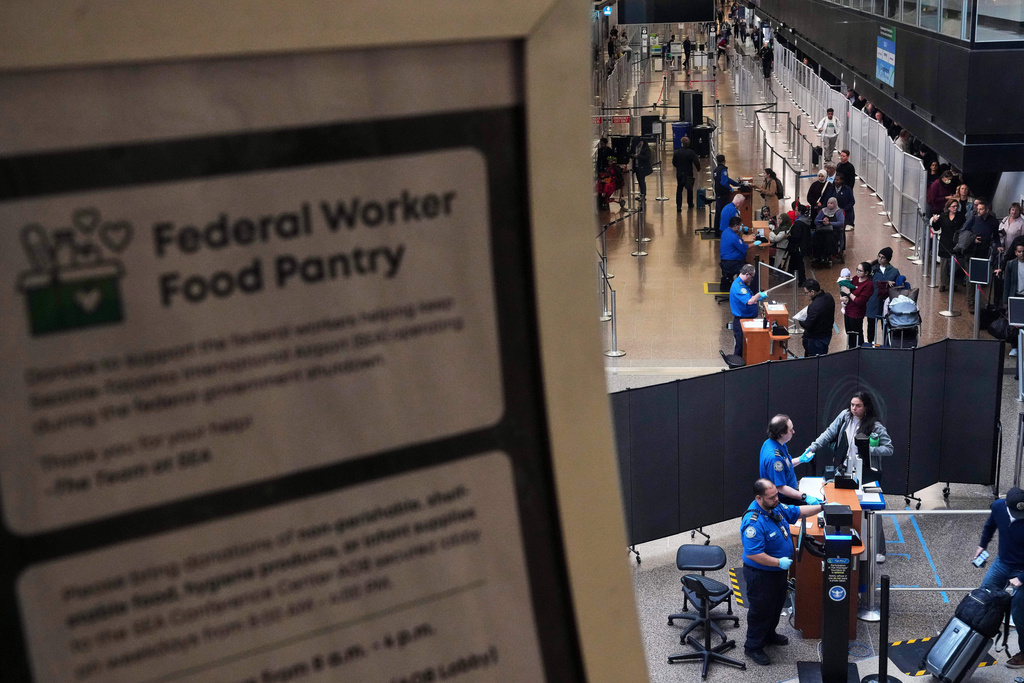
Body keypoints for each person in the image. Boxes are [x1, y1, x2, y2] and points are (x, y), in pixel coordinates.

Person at [740, 479, 823, 665]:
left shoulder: (774, 507)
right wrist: (779, 562)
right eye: (772, 497)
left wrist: (822, 507)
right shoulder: (753, 522)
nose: (777, 498)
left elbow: (798, 512)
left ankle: (769, 635)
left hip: (777, 572)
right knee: (760, 611)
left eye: (776, 495)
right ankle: (753, 647)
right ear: (759, 498)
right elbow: (753, 554)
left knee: (776, 606)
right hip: (761, 575)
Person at [808, 392, 893, 562]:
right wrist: (814, 446)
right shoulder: (845, 416)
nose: (854, 409)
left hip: (868, 472)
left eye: (858, 406)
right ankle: (847, 540)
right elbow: (829, 432)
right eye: (852, 405)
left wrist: (869, 450)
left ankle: (880, 550)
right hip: (846, 469)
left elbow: (889, 449)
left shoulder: (875, 426)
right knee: (844, 505)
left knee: (872, 510)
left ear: (866, 407)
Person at [974, 487, 1024, 668]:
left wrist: (1022, 578)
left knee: (1019, 611)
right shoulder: (997, 507)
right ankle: (973, 641)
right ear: (1005, 504)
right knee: (983, 598)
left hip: (1023, 569)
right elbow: (990, 525)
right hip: (1003, 563)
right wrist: (982, 545)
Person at [759, 415, 820, 505]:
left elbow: (785, 465)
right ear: (781, 434)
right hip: (783, 499)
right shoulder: (775, 458)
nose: (793, 432)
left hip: (790, 492)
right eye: (790, 430)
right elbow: (781, 487)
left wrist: (800, 459)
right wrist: (804, 496)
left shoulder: (773, 443)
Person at [865, 248, 900, 345]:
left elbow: (898, 287)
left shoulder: (894, 271)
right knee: (871, 323)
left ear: (888, 260)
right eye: (879, 256)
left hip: (886, 302)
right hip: (873, 300)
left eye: (883, 257)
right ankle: (870, 342)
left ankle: (886, 343)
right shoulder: (873, 270)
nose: (880, 259)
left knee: (885, 324)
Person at [729, 264, 765, 356]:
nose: (752, 279)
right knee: (740, 346)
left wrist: (757, 298)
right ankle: (736, 367)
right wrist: (759, 295)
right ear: (747, 274)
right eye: (752, 277)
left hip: (746, 319)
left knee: (747, 345)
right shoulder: (738, 286)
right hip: (741, 321)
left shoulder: (742, 284)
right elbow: (749, 301)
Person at [930, 197, 963, 292]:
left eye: (956, 206)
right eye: (953, 206)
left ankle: (953, 283)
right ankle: (943, 283)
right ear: (948, 207)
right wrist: (935, 221)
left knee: (954, 266)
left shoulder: (960, 216)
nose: (955, 208)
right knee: (944, 265)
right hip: (944, 242)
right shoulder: (943, 216)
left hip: (955, 242)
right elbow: (936, 228)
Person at [840, 262, 873, 347]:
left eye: (860, 271)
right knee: (849, 333)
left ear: (866, 273)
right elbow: (844, 288)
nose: (857, 272)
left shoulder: (868, 285)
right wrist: (842, 297)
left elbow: (860, 302)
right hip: (848, 311)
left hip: (856, 314)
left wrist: (848, 293)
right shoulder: (854, 278)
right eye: (857, 270)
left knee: (857, 335)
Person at [800, 279, 835, 356]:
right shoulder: (829, 297)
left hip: (815, 339)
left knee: (813, 361)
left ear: (812, 292)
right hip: (827, 334)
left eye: (806, 293)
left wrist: (800, 321)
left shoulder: (814, 306)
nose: (806, 295)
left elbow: (808, 325)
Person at [672, 136, 701, 211]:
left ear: (682, 143)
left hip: (679, 173)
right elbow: (696, 162)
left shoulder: (677, 152)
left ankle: (679, 206)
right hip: (688, 173)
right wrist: (698, 169)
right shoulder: (691, 153)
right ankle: (690, 204)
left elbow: (674, 162)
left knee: (679, 189)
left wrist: (678, 166)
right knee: (689, 189)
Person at [714, 154, 742, 220]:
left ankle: (717, 228)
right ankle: (722, 229)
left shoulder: (715, 170)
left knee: (718, 212)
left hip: (718, 193)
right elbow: (723, 182)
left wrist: (736, 184)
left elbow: (727, 179)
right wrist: (730, 188)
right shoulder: (723, 169)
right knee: (723, 211)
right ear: (725, 161)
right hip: (723, 194)